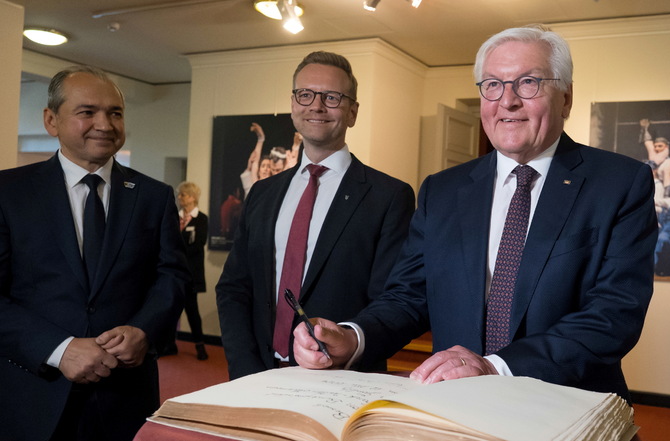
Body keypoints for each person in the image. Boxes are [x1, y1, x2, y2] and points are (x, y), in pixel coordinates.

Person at [293, 25, 658, 403]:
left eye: (528, 83)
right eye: (493, 85)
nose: (508, 101)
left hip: (567, 404)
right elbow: (409, 295)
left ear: (565, 98)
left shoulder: (620, 183)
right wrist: (352, 337)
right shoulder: (442, 190)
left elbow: (614, 313)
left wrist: (496, 366)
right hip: (457, 407)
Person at [0, 66, 189, 441]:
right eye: (87, 112)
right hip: (33, 393)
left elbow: (174, 276)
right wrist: (59, 349)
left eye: (115, 113)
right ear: (51, 120)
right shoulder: (9, 193)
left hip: (125, 395)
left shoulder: (153, 196)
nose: (104, 123)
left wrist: (143, 331)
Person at [216, 51, 416, 380]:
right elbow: (235, 288)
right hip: (256, 374)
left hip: (343, 378)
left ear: (352, 112)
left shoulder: (389, 196)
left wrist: (349, 343)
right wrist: (244, 368)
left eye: (332, 97)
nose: (316, 106)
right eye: (305, 94)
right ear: (294, 104)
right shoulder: (262, 193)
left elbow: (395, 300)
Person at [163, 182, 210, 360]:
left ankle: (200, 346)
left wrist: (177, 251)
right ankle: (169, 345)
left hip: (191, 274)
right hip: (173, 273)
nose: (179, 198)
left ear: (192, 197)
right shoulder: (174, 217)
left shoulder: (202, 219)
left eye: (183, 195)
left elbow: (198, 245)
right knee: (171, 310)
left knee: (192, 311)